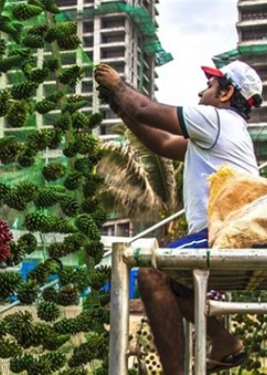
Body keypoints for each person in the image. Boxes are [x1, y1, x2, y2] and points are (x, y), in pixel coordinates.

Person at [94, 60, 263, 375]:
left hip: (225, 233)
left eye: (210, 87)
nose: (202, 91)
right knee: (177, 285)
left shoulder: (216, 119)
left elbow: (145, 108)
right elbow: (161, 143)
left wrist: (118, 84)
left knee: (151, 273)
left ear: (226, 92)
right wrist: (121, 110)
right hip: (226, 234)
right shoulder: (219, 133)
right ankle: (225, 343)